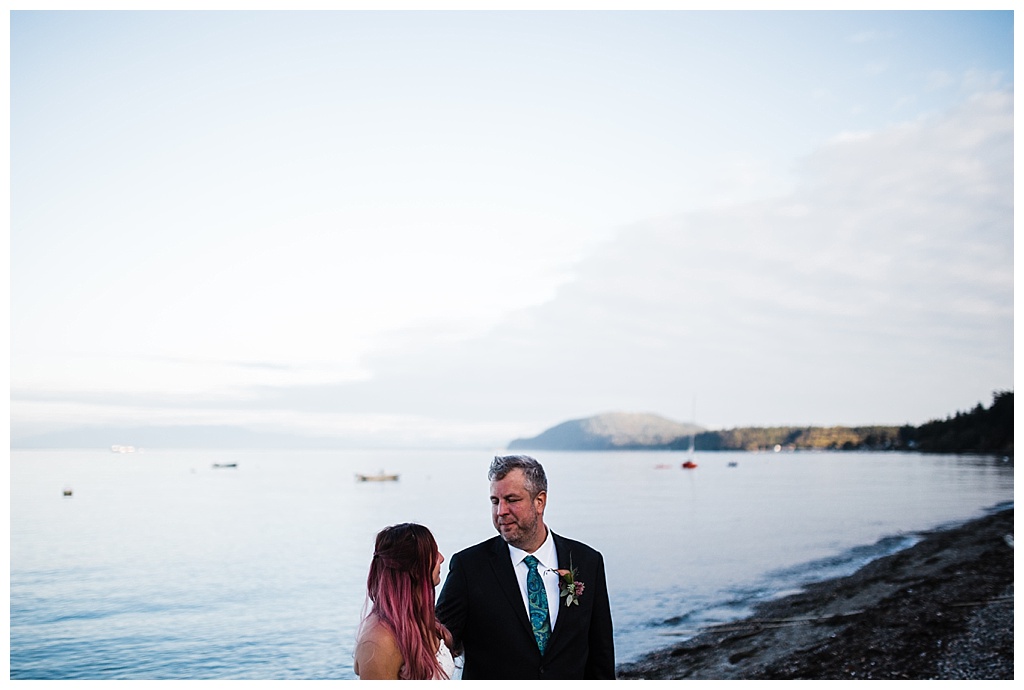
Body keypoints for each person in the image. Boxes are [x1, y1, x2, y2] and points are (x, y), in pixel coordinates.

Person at [435, 455, 615, 679]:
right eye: (494, 501)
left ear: (539, 501)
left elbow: (601, 652)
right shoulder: (468, 567)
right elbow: (436, 642)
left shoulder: (587, 561)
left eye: (511, 499)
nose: (501, 511)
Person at [355, 523, 456, 680]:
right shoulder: (379, 640)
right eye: (433, 553)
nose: (441, 558)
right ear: (415, 569)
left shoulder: (417, 618)